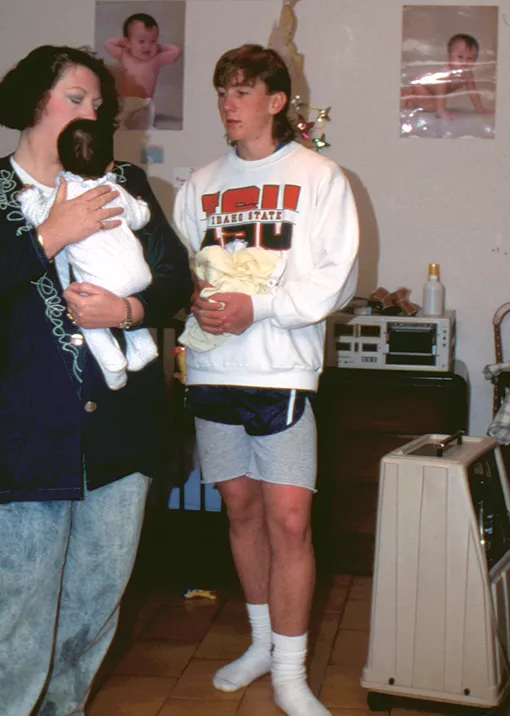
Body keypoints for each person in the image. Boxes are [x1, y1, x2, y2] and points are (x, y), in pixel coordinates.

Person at [0, 45, 193, 715]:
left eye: (98, 104)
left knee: (91, 612)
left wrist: (128, 311)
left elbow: (174, 279)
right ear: (32, 101)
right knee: (10, 618)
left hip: (121, 439)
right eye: (76, 98)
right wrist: (48, 235)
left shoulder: (124, 180)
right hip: (17, 436)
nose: (90, 113)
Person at [172, 44, 359, 716]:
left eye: (243, 91)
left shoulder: (319, 177)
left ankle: (290, 674)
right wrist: (193, 298)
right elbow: (181, 271)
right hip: (213, 370)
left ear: (276, 101)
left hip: (281, 373)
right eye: (223, 91)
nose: (229, 103)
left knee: (289, 520)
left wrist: (259, 308)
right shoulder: (198, 186)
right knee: (241, 512)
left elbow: (336, 279)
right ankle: (259, 645)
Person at [18, 117, 157, 390]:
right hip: (139, 275)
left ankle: (113, 364)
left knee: (87, 315)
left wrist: (28, 198)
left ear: (63, 164)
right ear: (110, 165)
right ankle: (143, 346)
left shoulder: (63, 195)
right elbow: (140, 219)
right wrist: (141, 205)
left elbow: (40, 218)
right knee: (123, 300)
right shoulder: (115, 190)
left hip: (102, 283)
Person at [105, 13, 181, 129]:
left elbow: (176, 51)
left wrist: (158, 47)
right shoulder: (124, 55)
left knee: (145, 126)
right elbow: (108, 44)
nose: (147, 46)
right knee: (119, 125)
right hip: (124, 101)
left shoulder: (155, 60)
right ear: (128, 42)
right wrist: (127, 43)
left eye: (153, 41)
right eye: (141, 41)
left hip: (144, 102)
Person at [401, 32, 492, 120]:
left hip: (431, 91)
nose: (465, 62)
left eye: (470, 58)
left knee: (429, 104)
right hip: (421, 85)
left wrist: (480, 108)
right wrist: (441, 110)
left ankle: (412, 95)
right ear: (449, 57)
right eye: (460, 57)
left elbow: (473, 93)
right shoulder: (447, 73)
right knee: (431, 107)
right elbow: (441, 92)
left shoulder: (468, 74)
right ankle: (410, 95)